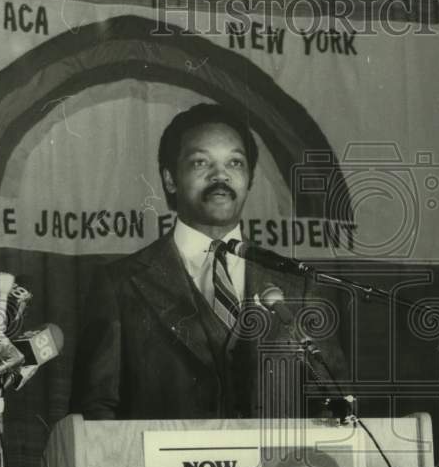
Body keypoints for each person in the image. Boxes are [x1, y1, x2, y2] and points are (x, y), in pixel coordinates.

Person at [70, 102, 347, 420]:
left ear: (249, 179)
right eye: (201, 162)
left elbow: (335, 407)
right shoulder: (119, 285)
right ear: (170, 179)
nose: (221, 175)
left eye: (235, 162)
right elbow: (95, 415)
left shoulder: (299, 286)